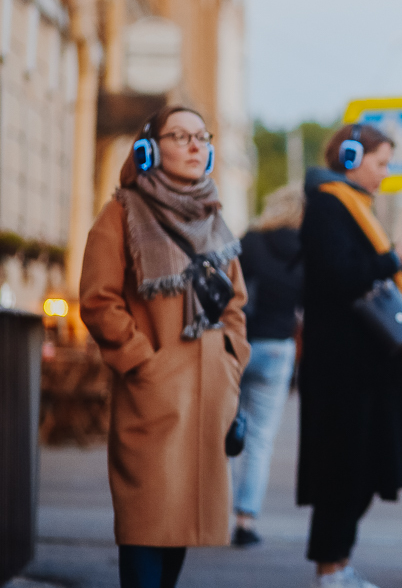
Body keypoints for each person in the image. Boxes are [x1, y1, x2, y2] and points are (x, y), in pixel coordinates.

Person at [79, 106, 248, 588]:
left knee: (182, 528)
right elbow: (98, 299)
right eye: (181, 137)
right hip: (152, 397)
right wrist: (143, 364)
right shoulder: (122, 214)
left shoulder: (214, 218)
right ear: (151, 150)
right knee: (146, 522)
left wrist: (232, 363)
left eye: (202, 137)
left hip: (211, 394)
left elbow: (236, 303)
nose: (196, 146)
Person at [297, 124, 402, 588]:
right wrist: (397, 258)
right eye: (380, 162)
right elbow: (339, 276)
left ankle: (339, 563)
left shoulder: (354, 205)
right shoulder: (328, 205)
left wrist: (395, 256)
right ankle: (330, 569)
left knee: (366, 468)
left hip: (369, 364)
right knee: (342, 471)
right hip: (343, 369)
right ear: (351, 157)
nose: (385, 173)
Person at [231, 183, 305, 547]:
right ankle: (245, 521)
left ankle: (213, 514)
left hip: (237, 344)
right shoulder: (306, 250)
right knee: (260, 438)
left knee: (224, 431)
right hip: (278, 347)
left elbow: (229, 289)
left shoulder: (251, 241)